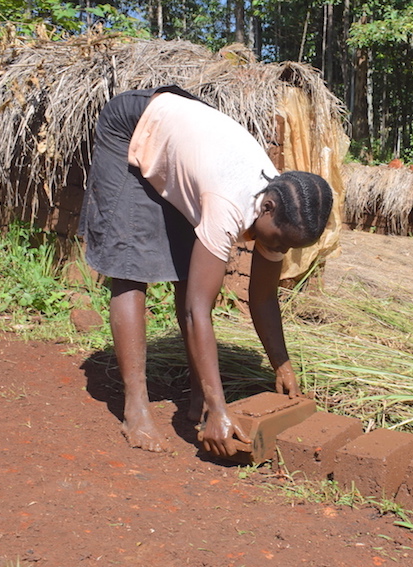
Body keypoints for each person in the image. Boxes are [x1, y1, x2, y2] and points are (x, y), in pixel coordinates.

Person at [78, 85, 334, 458]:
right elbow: (197, 310)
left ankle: (199, 394)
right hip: (134, 126)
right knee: (131, 266)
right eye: (280, 241)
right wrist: (221, 408)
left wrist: (283, 363)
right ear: (267, 208)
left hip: (188, 142)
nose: (279, 250)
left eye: (289, 247)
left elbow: (262, 296)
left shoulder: (285, 209)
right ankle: (136, 408)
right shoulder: (228, 203)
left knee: (189, 267)